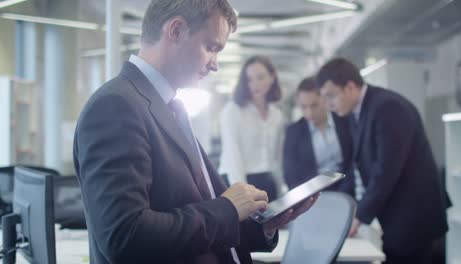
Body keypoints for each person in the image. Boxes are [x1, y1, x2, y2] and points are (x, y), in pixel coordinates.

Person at [73, 1, 317, 264]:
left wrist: (264, 224)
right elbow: (125, 236)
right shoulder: (116, 106)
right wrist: (228, 209)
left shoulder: (168, 106)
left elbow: (203, 209)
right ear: (176, 30)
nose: (215, 65)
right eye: (211, 47)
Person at [317, 58, 448, 264]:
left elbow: (386, 170)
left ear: (350, 87)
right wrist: (341, 208)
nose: (329, 105)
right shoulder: (357, 111)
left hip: (414, 216)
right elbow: (356, 164)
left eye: (331, 96)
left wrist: (358, 217)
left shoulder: (387, 107)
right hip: (398, 216)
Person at [218, 55, 284, 201]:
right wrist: (243, 195)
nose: (255, 84)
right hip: (235, 181)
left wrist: (280, 190)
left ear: (272, 78)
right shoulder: (232, 110)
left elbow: (277, 158)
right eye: (249, 79)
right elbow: (232, 154)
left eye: (260, 77)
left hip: (267, 181)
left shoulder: (277, 115)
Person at [282, 76, 354, 194]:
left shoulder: (343, 120)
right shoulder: (294, 131)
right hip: (313, 195)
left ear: (325, 99)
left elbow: (353, 160)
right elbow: (290, 175)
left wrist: (346, 190)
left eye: (314, 105)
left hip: (347, 190)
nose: (309, 113)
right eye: (304, 107)